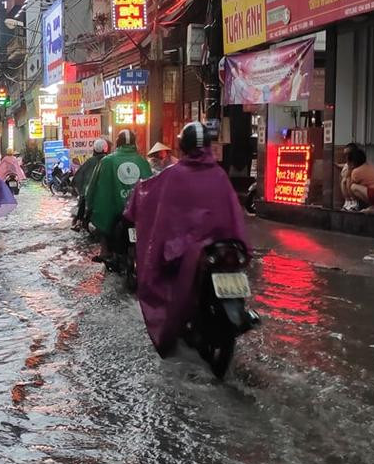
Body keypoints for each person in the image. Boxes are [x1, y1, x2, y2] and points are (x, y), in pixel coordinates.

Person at [125, 122, 249, 355]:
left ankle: (177, 319)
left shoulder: (175, 175)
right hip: (223, 247)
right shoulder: (219, 174)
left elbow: (149, 196)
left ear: (183, 146)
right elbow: (233, 214)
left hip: (191, 250)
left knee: (166, 272)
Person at [87, 129, 152, 261]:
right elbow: (152, 186)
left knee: (104, 220)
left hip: (115, 211)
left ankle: (104, 251)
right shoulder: (142, 161)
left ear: (117, 143)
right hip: (137, 211)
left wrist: (89, 204)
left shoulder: (107, 161)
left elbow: (93, 186)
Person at [339, 143, 374, 213]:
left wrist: (349, 169)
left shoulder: (356, 172)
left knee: (353, 187)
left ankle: (373, 206)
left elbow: (348, 183)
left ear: (352, 162)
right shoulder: (369, 165)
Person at [71, 138, 110, 229]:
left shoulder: (90, 161)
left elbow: (79, 177)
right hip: (104, 192)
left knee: (83, 199)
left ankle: (79, 222)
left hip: (90, 192)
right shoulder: (110, 160)